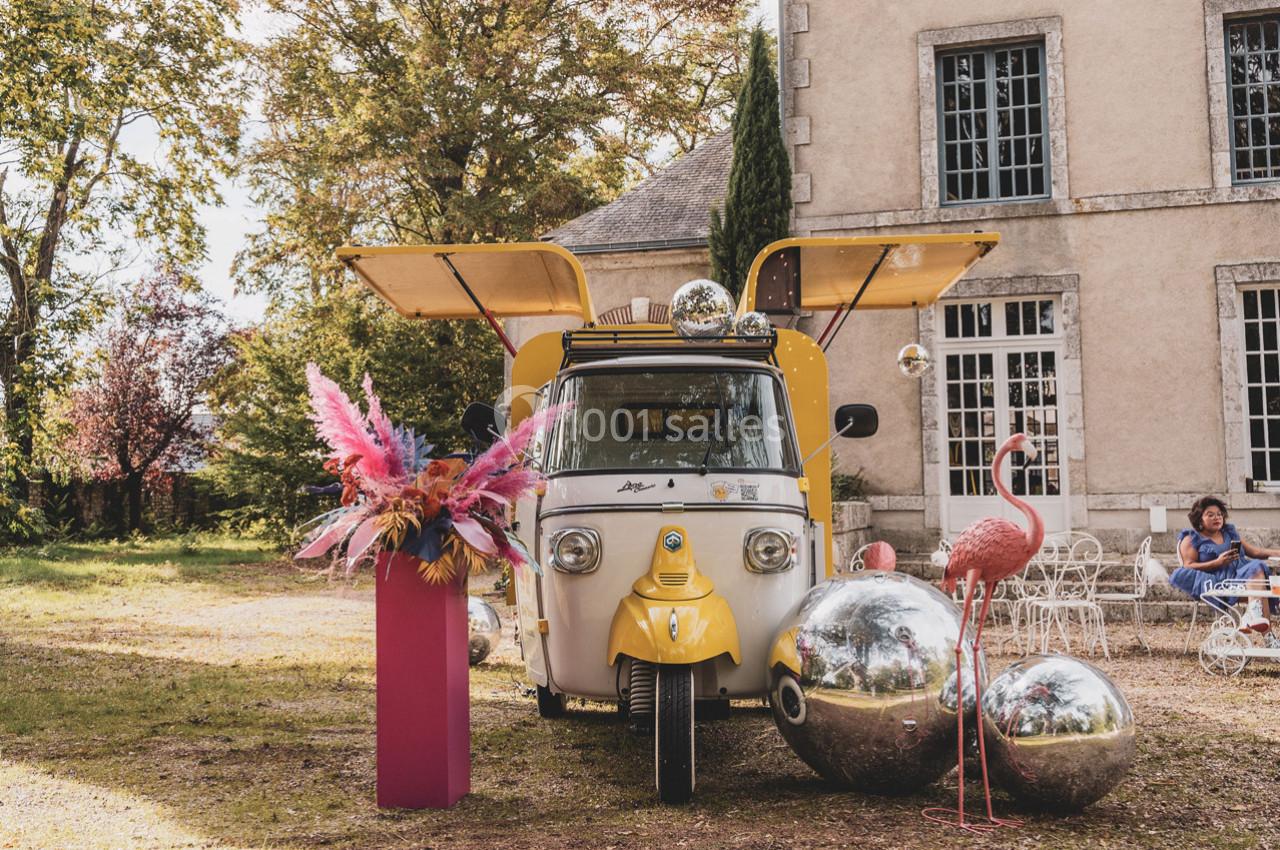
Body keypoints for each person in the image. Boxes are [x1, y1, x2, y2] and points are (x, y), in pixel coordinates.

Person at [1171, 496, 1279, 641]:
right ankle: (1267, 635)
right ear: (1200, 519)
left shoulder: (1229, 533)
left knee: (1257, 571)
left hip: (1241, 577)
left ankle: (1254, 615)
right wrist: (1217, 562)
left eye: (1219, 514)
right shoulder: (1192, 539)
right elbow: (1188, 565)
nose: (1217, 517)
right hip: (1219, 582)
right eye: (1210, 515)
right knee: (1258, 582)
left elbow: (1255, 552)